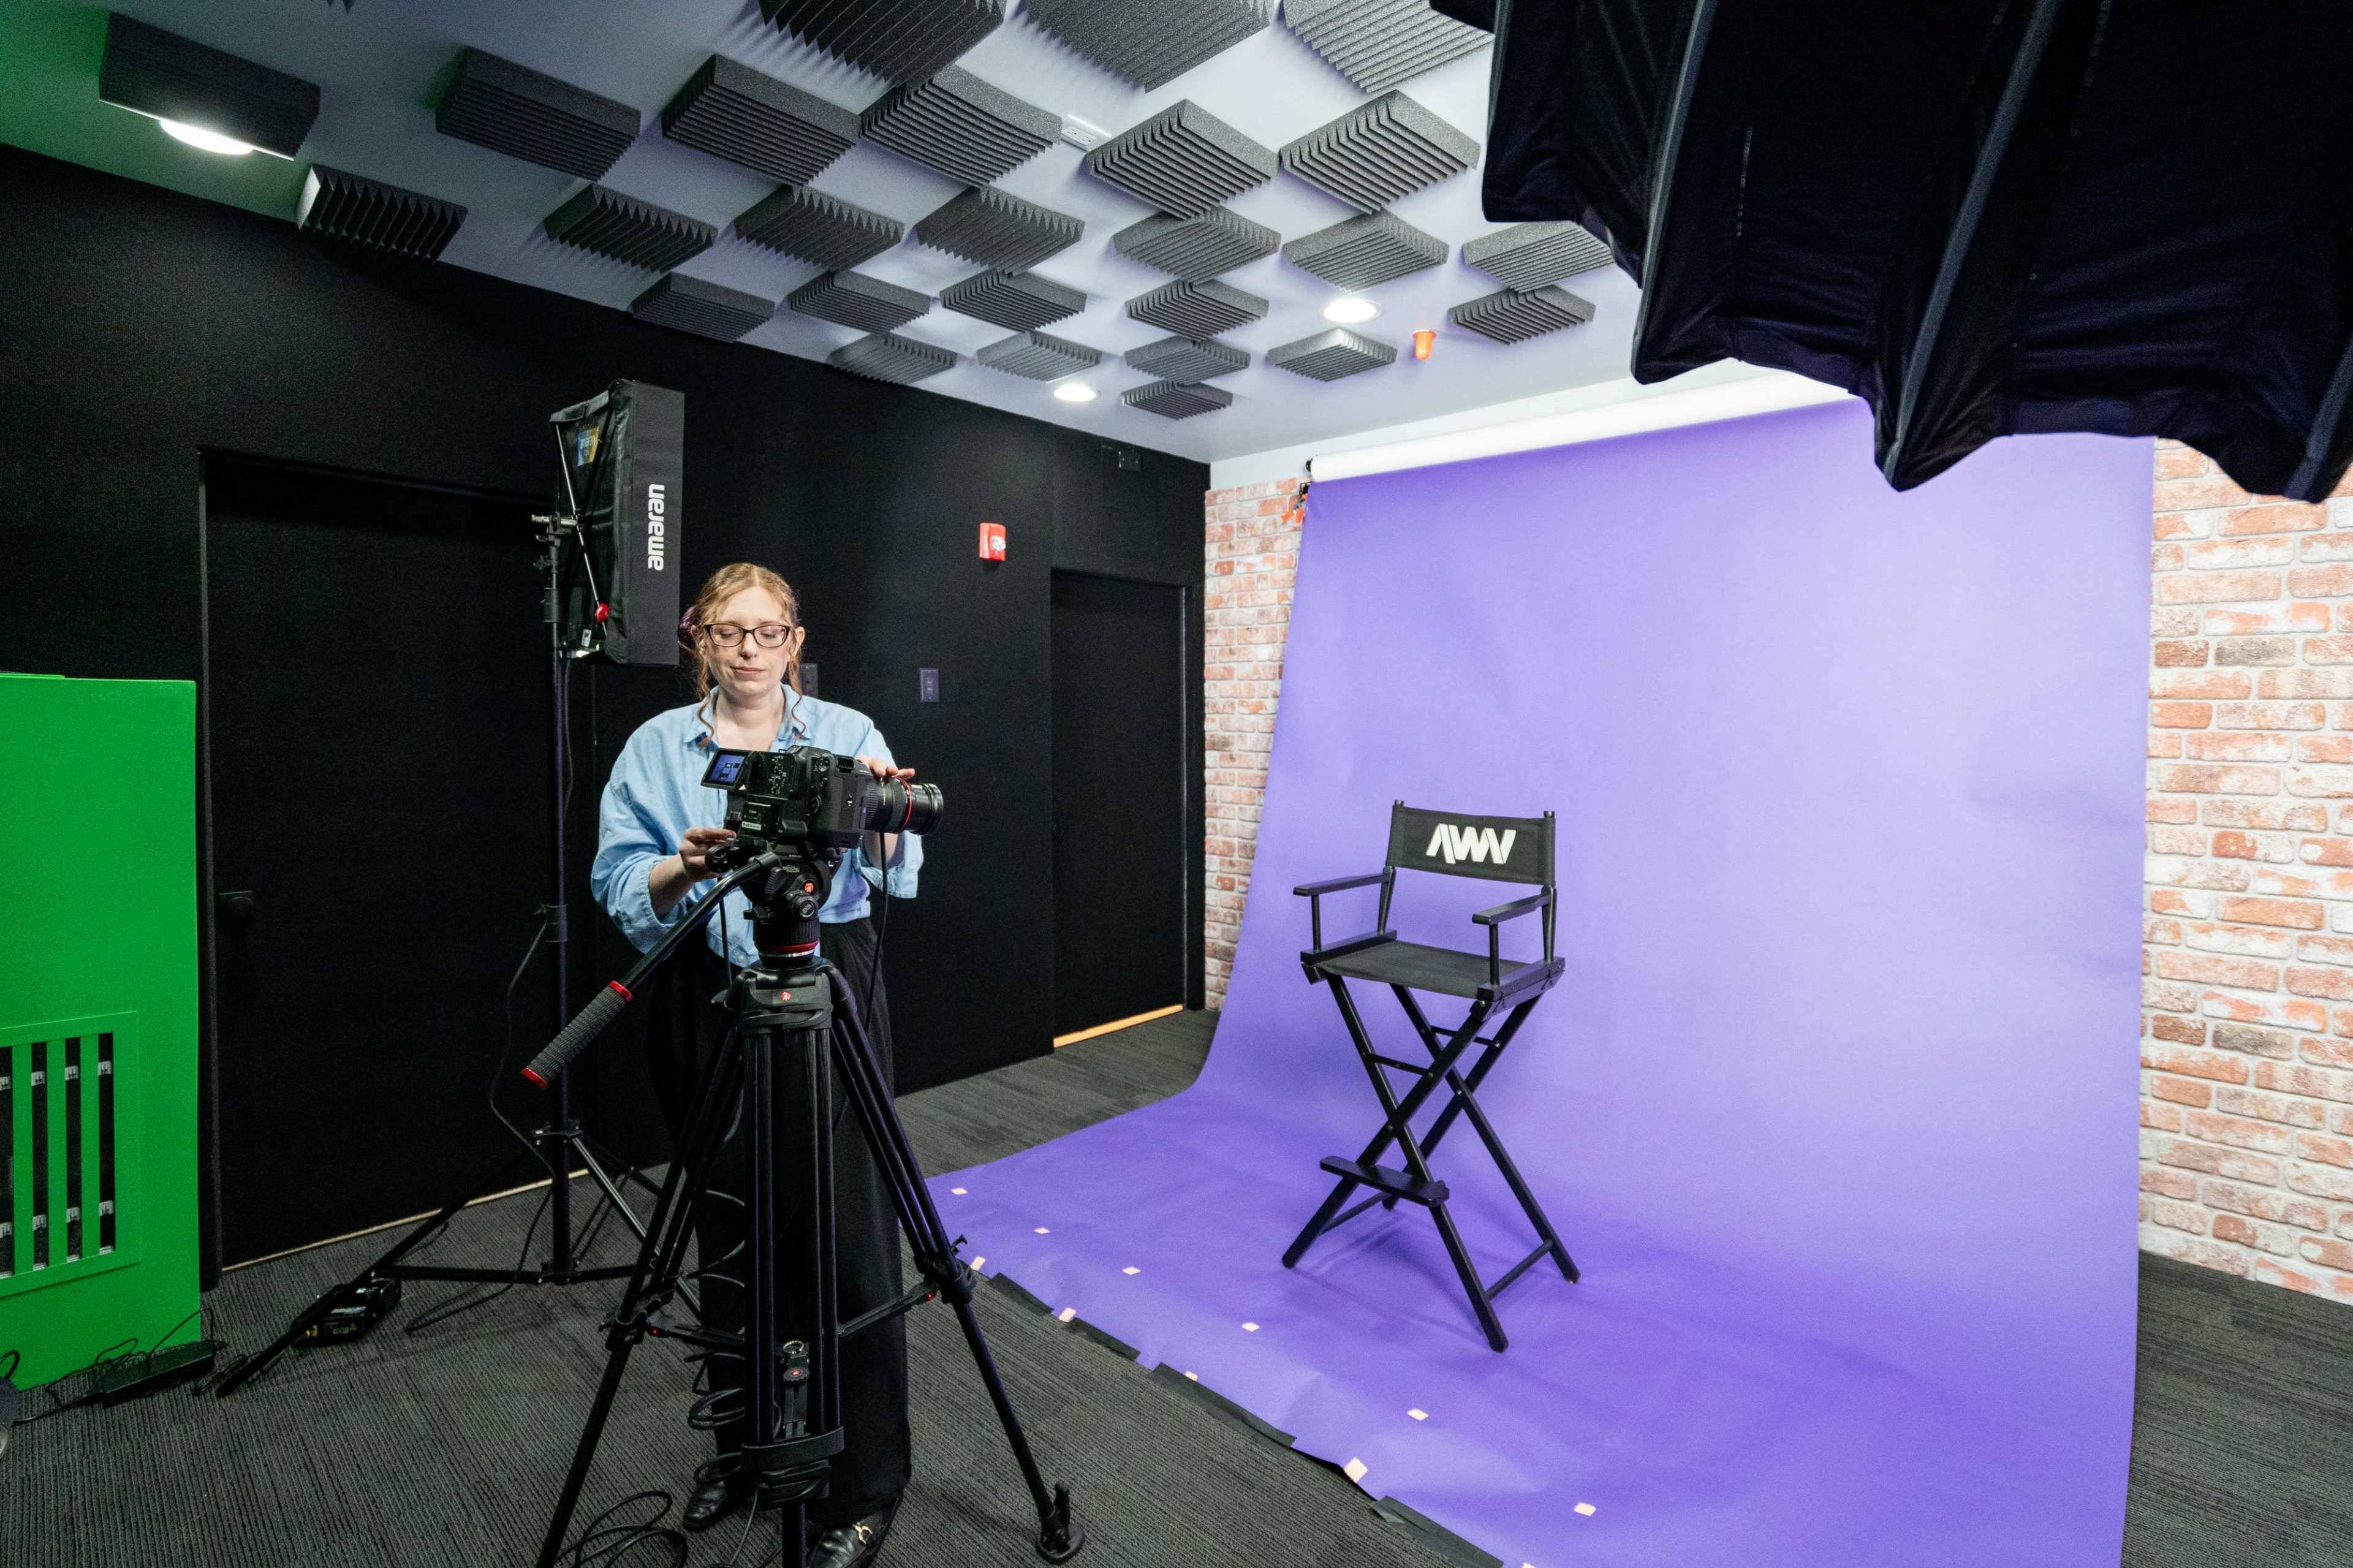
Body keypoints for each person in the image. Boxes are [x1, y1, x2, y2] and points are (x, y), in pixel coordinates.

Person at [591, 561, 920, 1568]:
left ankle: (863, 1489)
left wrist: (888, 817)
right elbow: (616, 881)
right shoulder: (656, 749)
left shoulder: (848, 734)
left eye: (767, 632)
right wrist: (688, 863)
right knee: (729, 1232)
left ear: (793, 641)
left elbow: (898, 873)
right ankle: (741, 1454)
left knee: (851, 1239)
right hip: (710, 992)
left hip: (831, 986)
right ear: (698, 638)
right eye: (727, 632)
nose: (747, 650)